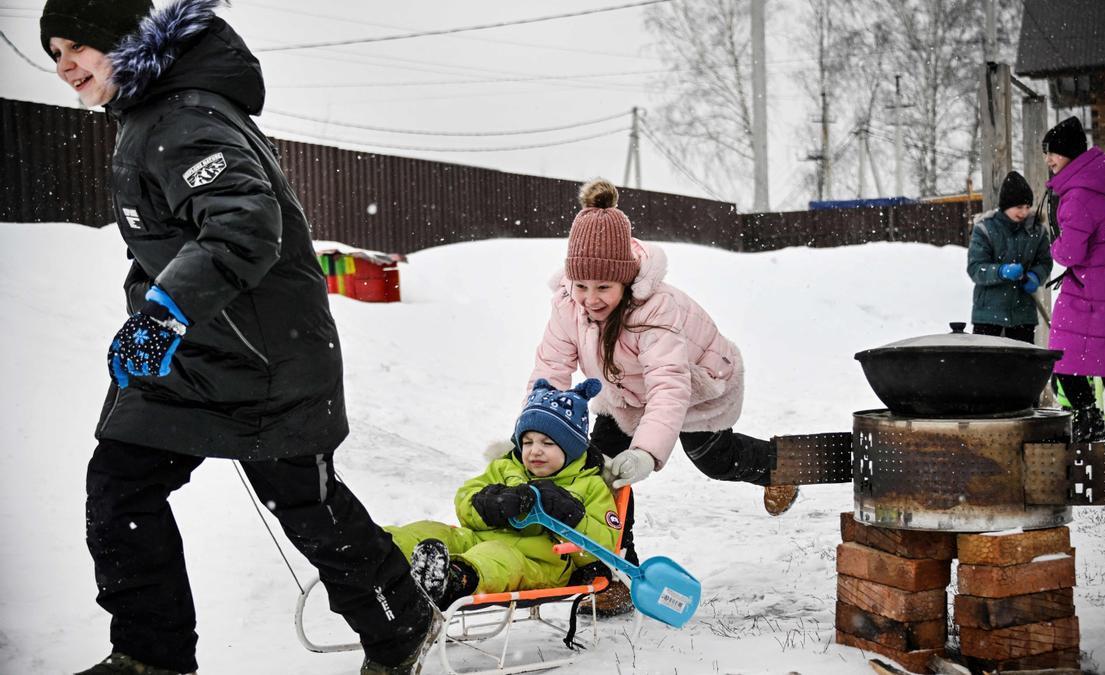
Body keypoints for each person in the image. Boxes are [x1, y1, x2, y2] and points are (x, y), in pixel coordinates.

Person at [40, 0, 436, 673]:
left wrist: (163, 313)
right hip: (195, 354)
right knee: (119, 485)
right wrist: (152, 313)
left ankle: (402, 624)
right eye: (53, 53)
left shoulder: (182, 117)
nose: (65, 65)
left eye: (78, 44)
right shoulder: (148, 116)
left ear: (123, 38)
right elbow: (166, 245)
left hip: (266, 355)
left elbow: (243, 225)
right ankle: (149, 655)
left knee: (306, 505)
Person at [527, 178, 799, 615]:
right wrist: (537, 429)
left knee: (714, 459)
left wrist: (647, 453)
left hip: (699, 386)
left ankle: (776, 468)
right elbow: (551, 369)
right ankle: (616, 574)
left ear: (625, 280)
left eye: (603, 288)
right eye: (581, 286)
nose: (590, 299)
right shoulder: (568, 304)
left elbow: (670, 386)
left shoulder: (656, 308)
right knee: (598, 476)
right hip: (623, 396)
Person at [386, 379, 619, 611]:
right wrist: (490, 503)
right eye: (527, 442)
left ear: (572, 448)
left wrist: (569, 514)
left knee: (496, 556)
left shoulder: (590, 486)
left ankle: (455, 579)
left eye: (547, 443)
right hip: (479, 539)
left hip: (538, 560)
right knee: (434, 531)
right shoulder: (505, 468)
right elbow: (465, 500)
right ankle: (378, 552)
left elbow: (604, 548)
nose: (534, 450)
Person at [1042, 116, 1105, 452]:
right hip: (1099, 282)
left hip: (1100, 286)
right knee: (1081, 354)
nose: (1049, 160)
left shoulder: (1078, 195)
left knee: (1103, 355)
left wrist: (1052, 246)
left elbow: (1071, 251)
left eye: (1053, 153)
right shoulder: (1085, 185)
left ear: (1070, 154)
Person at [967, 171, 1053, 344]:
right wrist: (1001, 271)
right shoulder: (985, 230)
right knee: (986, 365)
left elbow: (1044, 261)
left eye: (1027, 207)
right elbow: (976, 268)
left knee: (1021, 366)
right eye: (1019, 207)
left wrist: (1036, 276)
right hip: (988, 315)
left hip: (1023, 315)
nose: (1024, 212)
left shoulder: (1036, 231)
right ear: (1006, 206)